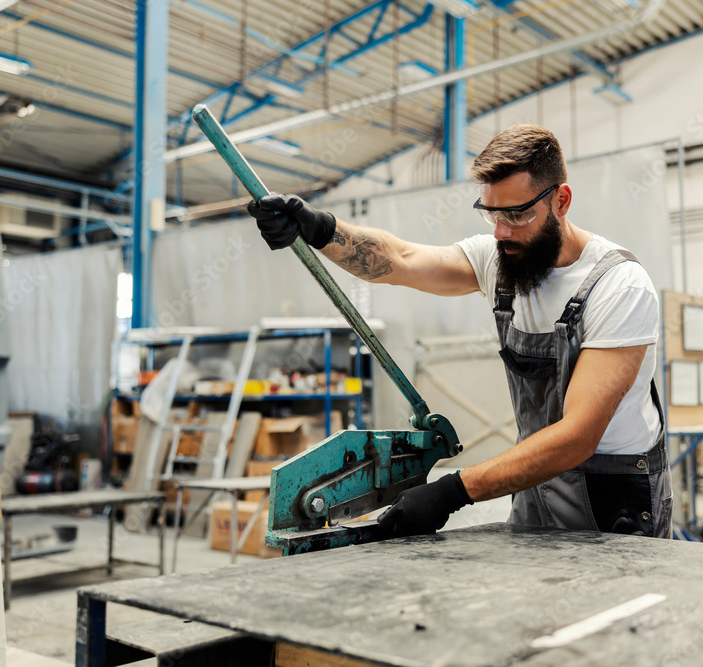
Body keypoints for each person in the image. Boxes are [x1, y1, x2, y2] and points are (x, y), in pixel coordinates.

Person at [247, 124, 671, 539]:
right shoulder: (500, 259)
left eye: (518, 214)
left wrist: (454, 491)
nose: (502, 231)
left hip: (613, 497)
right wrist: (321, 230)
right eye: (491, 213)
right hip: (534, 484)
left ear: (561, 200)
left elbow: (578, 436)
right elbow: (403, 259)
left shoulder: (620, 286)